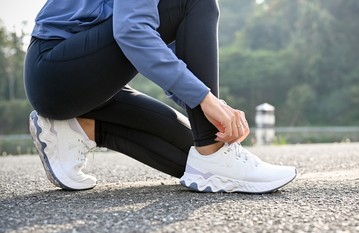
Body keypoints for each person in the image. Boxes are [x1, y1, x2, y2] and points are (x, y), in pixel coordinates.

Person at [24, 0, 296, 193]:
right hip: (56, 71)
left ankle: (78, 128)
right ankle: (215, 154)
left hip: (86, 85)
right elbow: (132, 31)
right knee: (195, 1)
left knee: (193, 159)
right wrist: (206, 100)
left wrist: (213, 104)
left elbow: (175, 55)